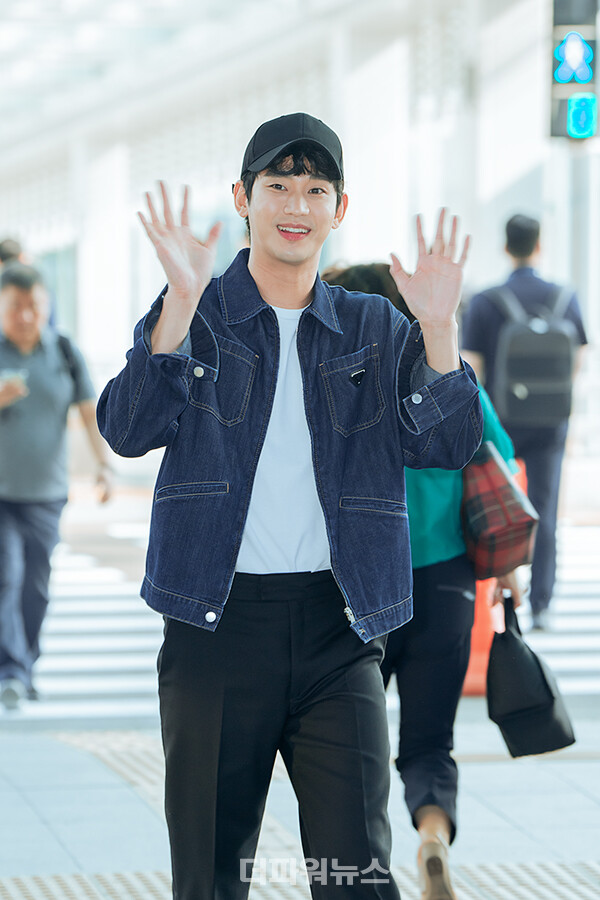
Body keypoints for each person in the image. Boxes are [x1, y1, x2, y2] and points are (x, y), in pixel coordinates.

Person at [97, 112, 483, 900]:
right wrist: (177, 299)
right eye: (277, 185)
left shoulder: (375, 328)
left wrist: (438, 327)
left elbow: (448, 445)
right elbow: (126, 428)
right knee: (210, 872)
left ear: (340, 208)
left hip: (339, 630)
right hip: (216, 627)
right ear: (243, 197)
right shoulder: (198, 314)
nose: (295, 203)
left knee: (356, 875)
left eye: (315, 187)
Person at [322, 261, 520, 900]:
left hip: (361, 590)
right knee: (430, 740)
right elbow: (501, 460)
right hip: (447, 582)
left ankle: (364, 868)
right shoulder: (447, 377)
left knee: (351, 743)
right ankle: (432, 835)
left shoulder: (338, 385)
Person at [460, 214, 587, 630]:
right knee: (546, 510)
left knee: (497, 507)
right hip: (551, 422)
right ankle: (544, 604)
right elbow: (577, 361)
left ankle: (505, 593)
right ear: (539, 246)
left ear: (505, 246)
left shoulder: (485, 300)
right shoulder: (565, 297)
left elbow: (472, 368)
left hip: (502, 424)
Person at [0, 263, 113, 710]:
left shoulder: (64, 350)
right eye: (15, 307)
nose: (26, 316)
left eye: (34, 306)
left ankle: (25, 665)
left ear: (45, 307)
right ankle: (9, 669)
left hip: (46, 493)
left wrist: (104, 466)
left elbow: (88, 411)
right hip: (1, 495)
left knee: (37, 585)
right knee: (5, 576)